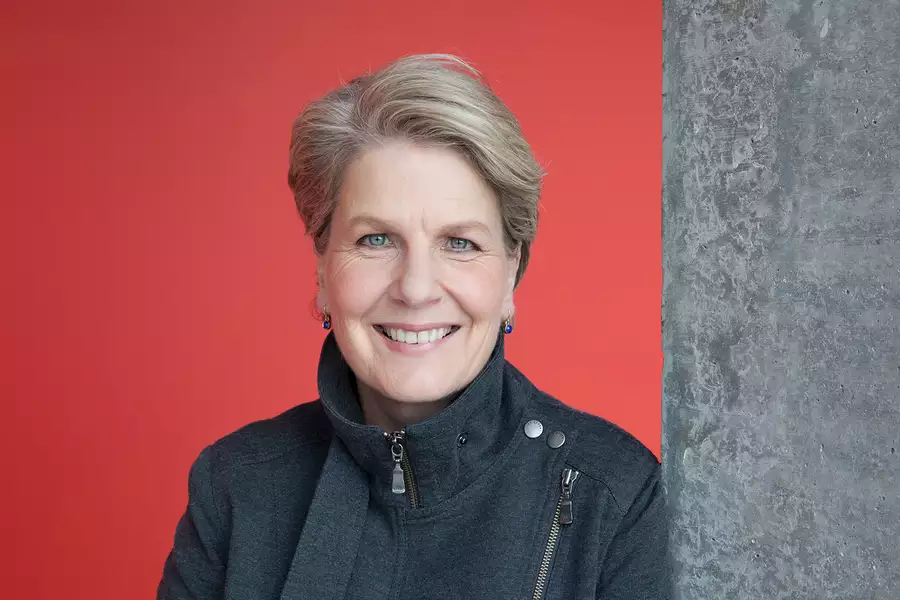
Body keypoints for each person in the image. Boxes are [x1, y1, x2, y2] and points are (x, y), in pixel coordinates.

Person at [157, 53, 670, 600]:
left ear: (510, 275)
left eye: (460, 243)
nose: (417, 288)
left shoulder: (610, 493)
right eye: (376, 239)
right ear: (323, 269)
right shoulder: (236, 487)